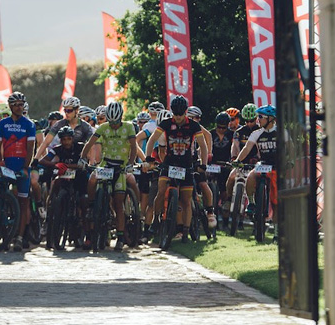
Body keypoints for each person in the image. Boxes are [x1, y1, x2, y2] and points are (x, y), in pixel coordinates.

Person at [143, 95, 209, 243]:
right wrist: (149, 158)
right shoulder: (166, 123)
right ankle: (155, 221)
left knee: (186, 200)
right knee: (160, 192)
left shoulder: (193, 125)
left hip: (186, 164)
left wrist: (203, 164)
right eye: (176, 114)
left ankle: (185, 232)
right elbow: (152, 139)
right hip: (169, 162)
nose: (178, 117)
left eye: (181, 114)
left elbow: (203, 145)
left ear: (185, 111)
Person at [0, 91, 36, 251]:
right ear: (10, 107)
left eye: (21, 105)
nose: (19, 107)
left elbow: (30, 149)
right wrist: (1, 162)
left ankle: (19, 237)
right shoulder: (3, 124)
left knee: (23, 203)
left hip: (22, 166)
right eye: (16, 105)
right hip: (6, 165)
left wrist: (25, 167)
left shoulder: (29, 125)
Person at [80, 101, 137, 251]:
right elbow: (89, 143)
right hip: (106, 164)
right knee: (92, 179)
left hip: (121, 166)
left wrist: (130, 163)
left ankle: (120, 237)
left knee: (118, 203)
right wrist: (82, 158)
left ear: (121, 118)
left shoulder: (129, 127)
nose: (114, 125)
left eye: (116, 122)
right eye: (111, 122)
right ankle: (93, 204)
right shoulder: (103, 127)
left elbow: (133, 147)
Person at [235, 105, 278, 227]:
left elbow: (291, 148)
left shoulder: (280, 132)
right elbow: (246, 148)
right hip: (263, 164)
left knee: (276, 203)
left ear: (270, 119)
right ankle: (252, 203)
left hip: (277, 166)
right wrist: (238, 160)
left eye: (260, 117)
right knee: (250, 177)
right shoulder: (257, 133)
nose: (257, 119)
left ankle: (276, 231)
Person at [210, 111, 235, 227]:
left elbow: (235, 148)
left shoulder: (232, 135)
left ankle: (225, 221)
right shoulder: (210, 134)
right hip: (212, 164)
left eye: (223, 128)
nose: (221, 130)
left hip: (226, 165)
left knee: (225, 193)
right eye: (218, 127)